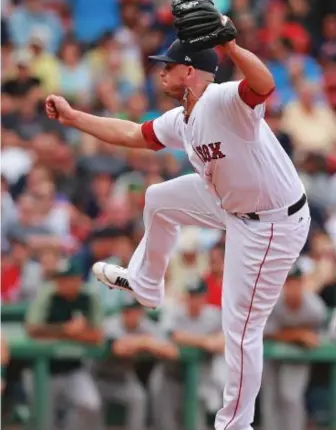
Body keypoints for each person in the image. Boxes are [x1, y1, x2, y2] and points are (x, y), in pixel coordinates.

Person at [46, 31, 311, 430]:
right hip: (233, 206)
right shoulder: (181, 118)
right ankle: (146, 283)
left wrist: (233, 46)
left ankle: (235, 426)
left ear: (190, 71)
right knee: (158, 199)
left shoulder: (222, 99)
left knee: (239, 329)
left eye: (167, 66)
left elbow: (264, 85)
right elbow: (132, 134)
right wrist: (72, 117)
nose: (161, 72)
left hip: (272, 222)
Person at [25, 256, 103, 430]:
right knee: (44, 421)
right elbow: (32, 329)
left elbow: (98, 336)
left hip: (73, 370)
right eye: (60, 279)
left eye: (68, 279)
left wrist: (75, 334)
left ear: (77, 280)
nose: (63, 283)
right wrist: (64, 329)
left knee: (90, 405)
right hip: (43, 372)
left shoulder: (88, 296)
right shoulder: (48, 294)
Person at [92, 294, 177, 430]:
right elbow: (118, 349)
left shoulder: (146, 325)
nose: (132, 315)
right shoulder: (111, 324)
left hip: (124, 379)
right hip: (98, 378)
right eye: (128, 311)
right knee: (91, 403)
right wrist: (144, 342)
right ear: (122, 312)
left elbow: (171, 351)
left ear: (141, 312)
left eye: (135, 311)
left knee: (139, 398)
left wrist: (146, 343)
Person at [150, 279, 224, 430]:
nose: (194, 300)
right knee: (166, 425)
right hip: (169, 376)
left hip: (199, 378)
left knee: (196, 424)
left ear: (205, 297)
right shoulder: (174, 312)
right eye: (191, 295)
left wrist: (189, 340)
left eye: (198, 296)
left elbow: (221, 343)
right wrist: (204, 341)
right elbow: (172, 337)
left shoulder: (214, 315)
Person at [261, 262, 327, 430]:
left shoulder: (315, 307)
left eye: (296, 282)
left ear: (302, 283)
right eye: (288, 282)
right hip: (271, 355)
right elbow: (264, 332)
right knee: (270, 399)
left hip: (298, 355)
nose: (292, 286)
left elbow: (317, 339)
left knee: (290, 396)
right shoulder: (273, 303)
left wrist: (290, 335)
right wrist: (297, 335)